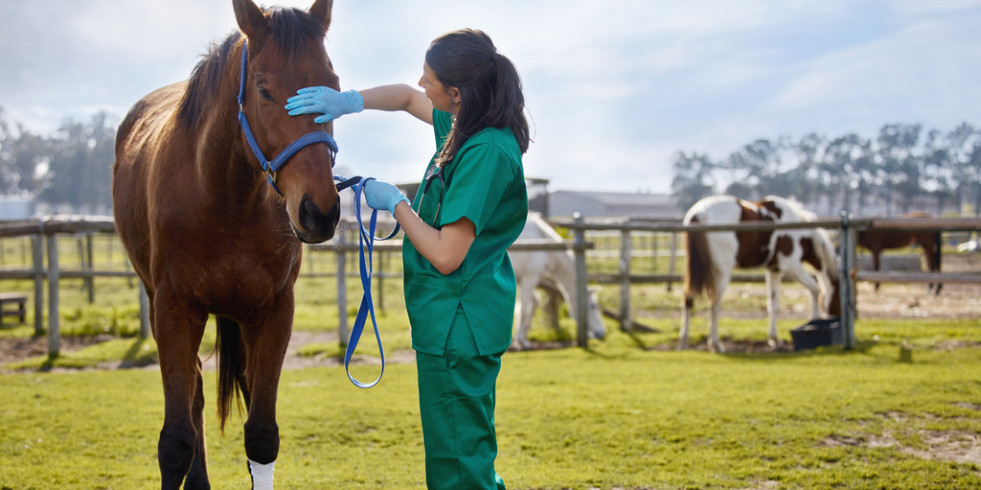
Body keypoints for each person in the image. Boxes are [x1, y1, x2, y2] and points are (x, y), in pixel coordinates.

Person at [285, 28, 530, 489]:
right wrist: (349, 101)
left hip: (460, 321)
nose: (421, 82)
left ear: (456, 93)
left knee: (459, 465)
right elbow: (401, 97)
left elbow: (445, 254)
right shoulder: (463, 125)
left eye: (430, 79)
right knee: (460, 454)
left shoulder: (486, 151)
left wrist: (396, 203)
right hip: (448, 320)